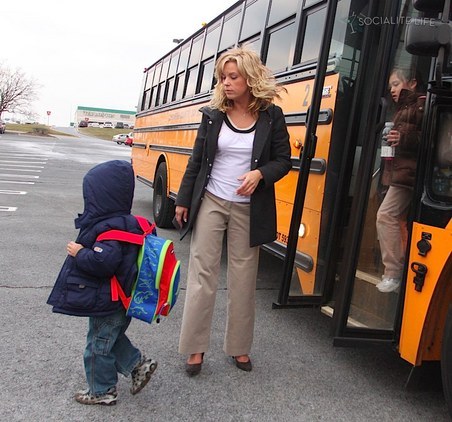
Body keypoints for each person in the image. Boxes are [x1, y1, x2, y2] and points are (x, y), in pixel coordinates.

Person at [174, 46, 292, 375]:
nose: (226, 83)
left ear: (249, 78)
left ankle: (239, 348)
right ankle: (195, 349)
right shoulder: (213, 114)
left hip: (248, 208)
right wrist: (183, 199)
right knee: (202, 275)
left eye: (233, 77)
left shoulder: (271, 116)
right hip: (211, 199)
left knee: (243, 278)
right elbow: (197, 161)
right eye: (222, 77)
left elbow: (283, 161)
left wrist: (260, 174)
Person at [47, 160, 157, 405]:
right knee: (110, 338)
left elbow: (104, 263)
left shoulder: (109, 229)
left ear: (101, 198)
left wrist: (79, 253)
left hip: (109, 299)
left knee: (97, 347)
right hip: (123, 299)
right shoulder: (130, 222)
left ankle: (102, 389)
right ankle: (138, 364)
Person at [376, 68, 425, 293]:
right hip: (400, 173)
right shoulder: (403, 108)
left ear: (412, 83)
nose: (393, 90)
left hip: (409, 175)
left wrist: (403, 138)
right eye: (391, 87)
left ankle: (393, 273)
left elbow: (435, 138)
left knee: (386, 216)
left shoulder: (422, 105)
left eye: (396, 84)